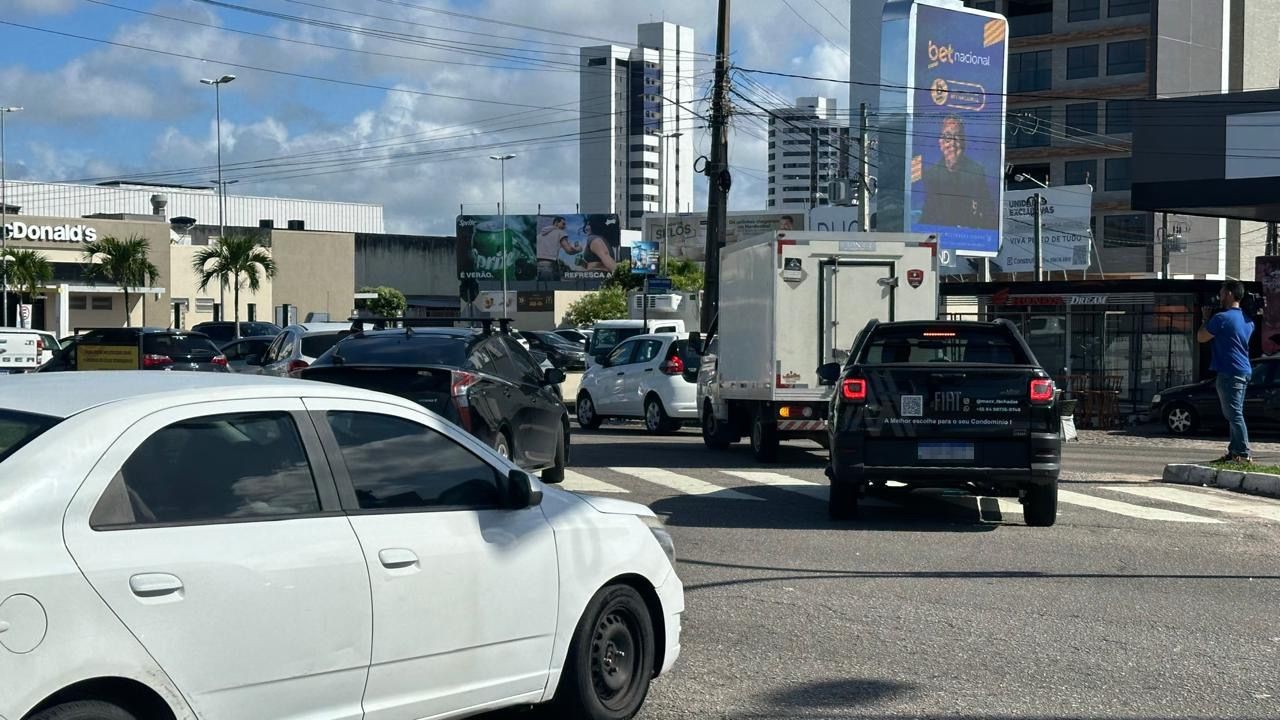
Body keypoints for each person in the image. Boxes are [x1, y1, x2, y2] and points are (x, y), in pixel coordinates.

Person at [1197, 280, 1255, 463]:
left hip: (1229, 371)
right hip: (1243, 369)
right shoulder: (1247, 320)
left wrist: (1205, 318)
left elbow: (1201, 337)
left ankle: (1243, 453)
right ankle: (1234, 452)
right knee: (1234, 412)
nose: (1220, 296)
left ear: (1229, 294)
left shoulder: (1221, 318)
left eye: (1222, 292)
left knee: (1234, 414)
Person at [919, 114, 996, 229]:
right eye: (948, 137)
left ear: (964, 143)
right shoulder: (931, 174)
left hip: (969, 239)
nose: (953, 144)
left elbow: (988, 213)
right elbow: (927, 216)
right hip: (940, 238)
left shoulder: (976, 172)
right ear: (940, 142)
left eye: (958, 137)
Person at [536, 216, 574, 281]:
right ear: (556, 223)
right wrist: (578, 249)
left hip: (537, 265)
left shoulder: (539, 235)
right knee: (549, 288)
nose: (564, 227)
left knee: (538, 289)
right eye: (563, 224)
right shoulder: (559, 232)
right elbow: (569, 250)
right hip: (549, 266)